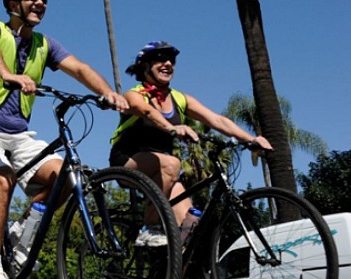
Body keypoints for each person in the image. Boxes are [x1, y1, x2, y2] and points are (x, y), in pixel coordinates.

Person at [0, 0, 128, 279]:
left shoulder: (44, 44)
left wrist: (108, 92)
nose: (40, 2)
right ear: (12, 4)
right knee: (2, 179)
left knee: (66, 176)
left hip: (19, 137)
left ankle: (25, 228)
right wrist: (8, 73)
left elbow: (77, 67)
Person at [109, 41, 273, 245]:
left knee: (191, 224)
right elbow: (147, 111)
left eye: (172, 60)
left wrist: (251, 140)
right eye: (161, 59)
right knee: (171, 163)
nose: (168, 63)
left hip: (163, 173)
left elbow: (216, 120)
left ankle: (171, 271)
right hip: (128, 162)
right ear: (145, 66)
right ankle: (149, 228)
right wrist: (172, 127)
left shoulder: (179, 98)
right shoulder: (135, 94)